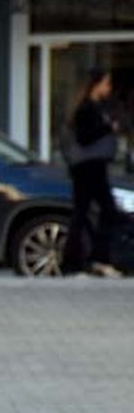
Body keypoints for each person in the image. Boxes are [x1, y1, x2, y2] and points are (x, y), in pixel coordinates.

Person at [63, 67, 123, 277]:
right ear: (96, 85)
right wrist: (108, 129)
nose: (109, 88)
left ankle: (93, 259)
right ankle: (77, 262)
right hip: (87, 168)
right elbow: (84, 137)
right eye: (106, 83)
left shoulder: (98, 107)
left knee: (98, 212)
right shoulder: (86, 108)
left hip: (96, 166)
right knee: (91, 212)